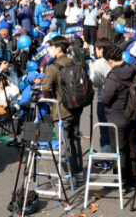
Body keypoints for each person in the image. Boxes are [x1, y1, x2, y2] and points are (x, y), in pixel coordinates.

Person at [42, 36, 84, 182]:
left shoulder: (53, 67)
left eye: (52, 47)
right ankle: (79, 172)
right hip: (76, 107)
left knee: (64, 142)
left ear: (58, 48)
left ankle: (68, 174)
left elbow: (46, 88)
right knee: (75, 139)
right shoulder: (73, 62)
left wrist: (50, 103)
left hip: (61, 108)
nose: (50, 50)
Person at [100, 46, 136, 188]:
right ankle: (133, 177)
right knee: (131, 145)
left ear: (110, 60)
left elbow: (105, 98)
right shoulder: (133, 68)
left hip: (117, 116)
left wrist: (104, 89)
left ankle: (120, 178)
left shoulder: (112, 77)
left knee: (118, 149)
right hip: (133, 112)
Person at [89, 38, 113, 169]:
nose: (95, 51)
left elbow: (95, 81)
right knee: (113, 130)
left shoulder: (99, 63)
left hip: (102, 100)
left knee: (104, 131)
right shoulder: (113, 61)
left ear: (101, 49)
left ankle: (105, 160)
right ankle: (112, 157)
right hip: (115, 101)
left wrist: (92, 69)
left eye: (97, 49)